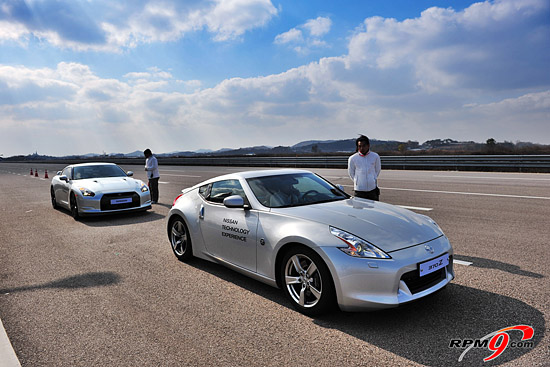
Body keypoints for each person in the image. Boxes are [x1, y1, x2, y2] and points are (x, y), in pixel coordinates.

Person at [348, 135, 381, 201]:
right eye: (359, 146)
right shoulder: (353, 158)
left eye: (364, 146)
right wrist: (357, 181)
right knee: (360, 210)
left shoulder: (375, 156)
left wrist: (373, 178)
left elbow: (377, 170)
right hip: (359, 190)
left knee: (374, 210)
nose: (362, 148)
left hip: (372, 190)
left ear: (368, 145)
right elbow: (351, 173)